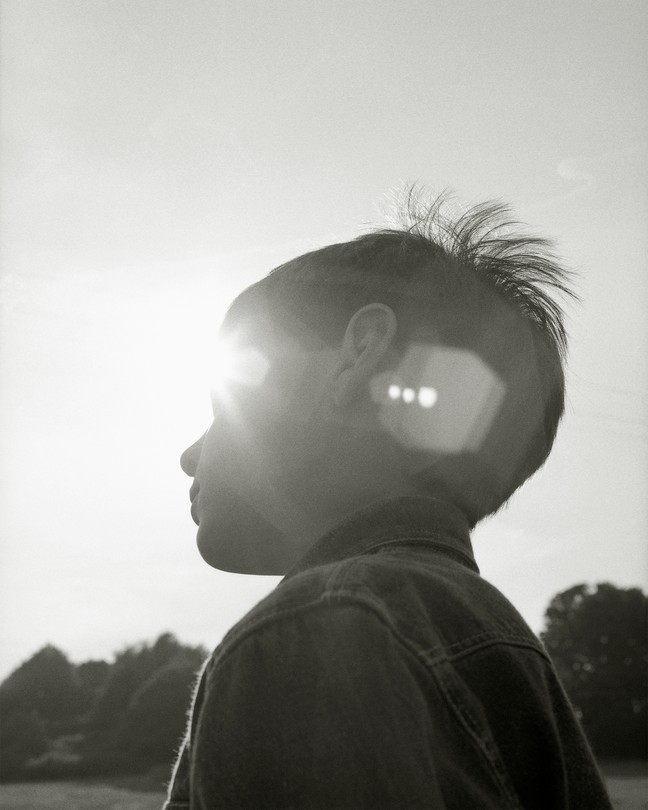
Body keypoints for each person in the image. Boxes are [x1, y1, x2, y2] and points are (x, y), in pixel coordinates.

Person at [163, 191, 612, 809]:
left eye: (225, 398)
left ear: (361, 354)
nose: (190, 454)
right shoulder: (488, 635)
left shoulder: (325, 626)